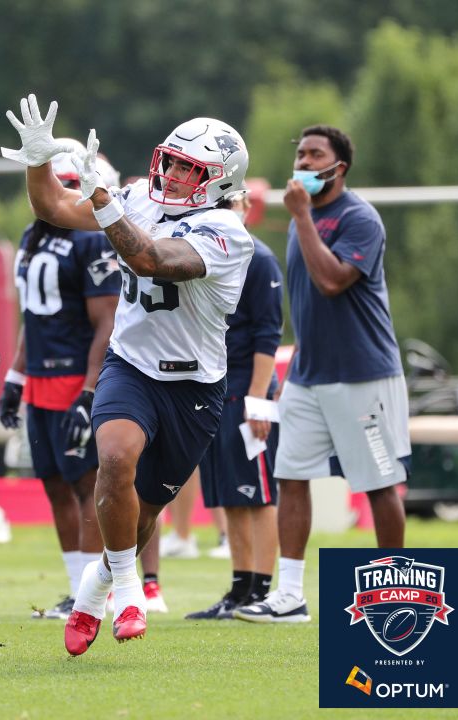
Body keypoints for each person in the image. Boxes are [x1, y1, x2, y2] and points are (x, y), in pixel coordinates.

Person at [2, 95, 253, 653]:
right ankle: (129, 592)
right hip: (131, 366)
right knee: (113, 460)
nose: (173, 174)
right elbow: (52, 208)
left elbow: (153, 260)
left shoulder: (227, 231)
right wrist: (38, 159)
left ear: (218, 181)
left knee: (143, 511)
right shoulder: (140, 195)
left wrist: (104, 202)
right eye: (172, 160)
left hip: (194, 384)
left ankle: (95, 591)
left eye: (191, 169)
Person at [234, 125, 410, 624]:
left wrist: (303, 218)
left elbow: (332, 281)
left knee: (379, 482)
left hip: (363, 375)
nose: (305, 162)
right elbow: (307, 306)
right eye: (301, 154)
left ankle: (397, 588)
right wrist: (295, 370)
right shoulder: (300, 220)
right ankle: (290, 595)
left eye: (316, 155)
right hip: (310, 376)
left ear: (340, 168)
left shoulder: (360, 219)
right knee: (290, 475)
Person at [0, 141, 167, 620]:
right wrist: (15, 374)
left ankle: (102, 593)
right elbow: (34, 315)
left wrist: (90, 389)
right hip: (41, 379)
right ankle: (77, 589)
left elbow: (107, 320)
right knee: (54, 483)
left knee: (90, 486)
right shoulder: (34, 236)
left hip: (79, 375)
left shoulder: (92, 237)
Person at [183, 190, 284, 621]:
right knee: (229, 493)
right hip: (212, 386)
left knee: (258, 493)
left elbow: (268, 333)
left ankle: (262, 588)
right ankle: (240, 588)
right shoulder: (204, 254)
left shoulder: (258, 259)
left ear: (243, 207)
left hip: (247, 388)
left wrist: (259, 400)